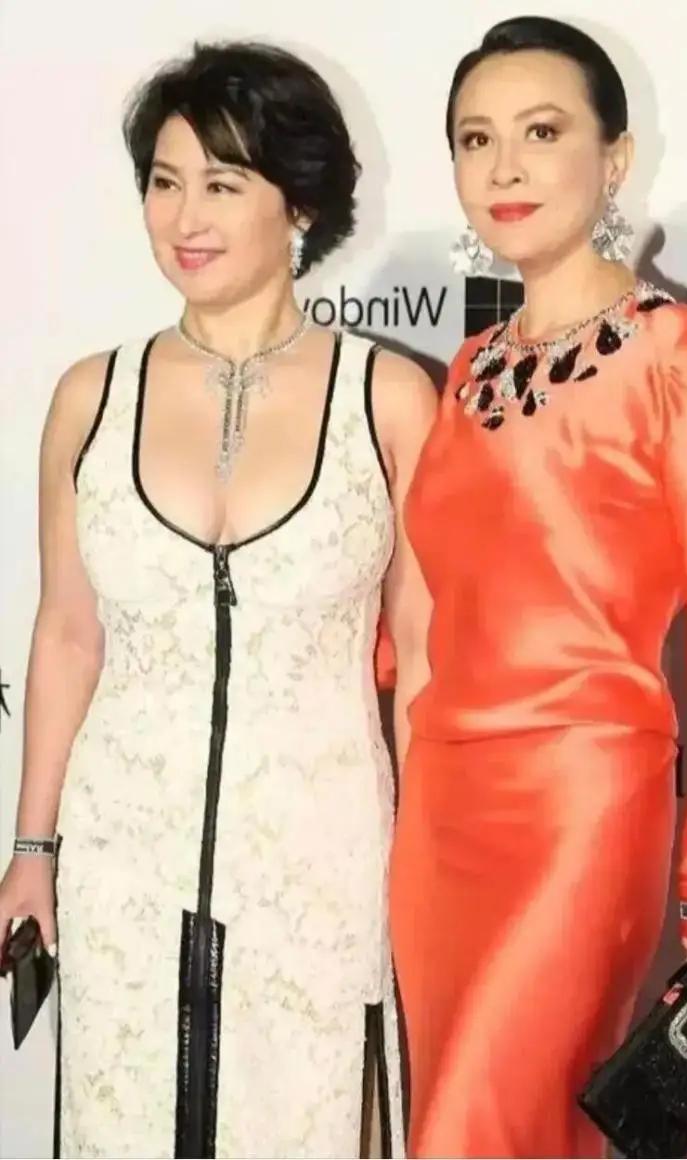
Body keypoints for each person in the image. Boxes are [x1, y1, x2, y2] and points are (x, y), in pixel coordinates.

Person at [0, 40, 434, 1159]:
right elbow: (67, 634)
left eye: (222, 183)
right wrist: (33, 846)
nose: (184, 217)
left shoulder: (389, 399)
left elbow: (424, 660)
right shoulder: (90, 397)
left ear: (299, 204)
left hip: (324, 857)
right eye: (164, 180)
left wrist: (431, 871)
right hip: (122, 858)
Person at [390, 16, 687, 1158]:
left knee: (478, 1130)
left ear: (614, 159)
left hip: (579, 807)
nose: (504, 166)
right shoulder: (469, 371)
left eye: (542, 132)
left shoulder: (683, 355)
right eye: (475, 139)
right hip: (440, 814)